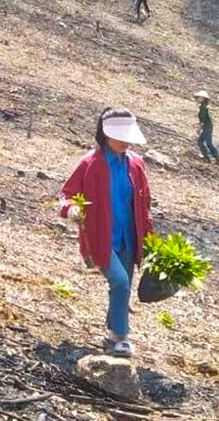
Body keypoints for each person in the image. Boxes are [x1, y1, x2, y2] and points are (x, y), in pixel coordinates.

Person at [58, 108, 153, 359]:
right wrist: (71, 209)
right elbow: (67, 194)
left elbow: (144, 202)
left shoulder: (136, 164)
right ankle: (120, 337)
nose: (125, 142)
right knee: (119, 281)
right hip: (101, 237)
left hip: (128, 236)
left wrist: (148, 235)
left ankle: (112, 332)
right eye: (120, 136)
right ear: (106, 134)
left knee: (124, 286)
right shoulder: (90, 163)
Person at [195, 91, 219, 164]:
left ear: (204, 99)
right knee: (201, 142)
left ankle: (216, 157)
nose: (199, 99)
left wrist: (200, 127)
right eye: (198, 97)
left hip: (208, 127)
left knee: (208, 143)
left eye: (201, 97)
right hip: (205, 127)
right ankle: (207, 157)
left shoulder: (207, 108)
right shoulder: (201, 107)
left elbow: (207, 119)